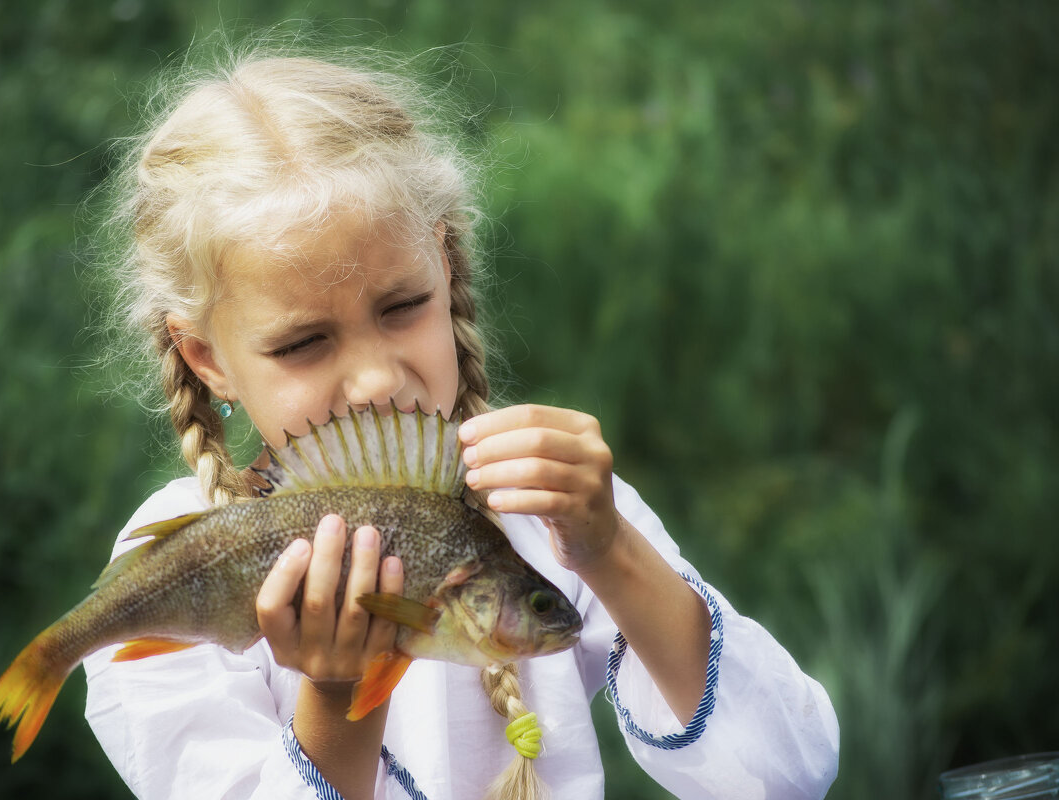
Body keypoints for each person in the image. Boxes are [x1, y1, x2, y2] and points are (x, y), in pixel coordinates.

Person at [83, 49, 839, 800]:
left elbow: (785, 776)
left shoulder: (549, 511)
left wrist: (612, 551)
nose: (378, 376)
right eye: (303, 343)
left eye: (403, 305)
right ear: (206, 358)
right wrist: (338, 689)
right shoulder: (176, 560)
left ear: (444, 267)